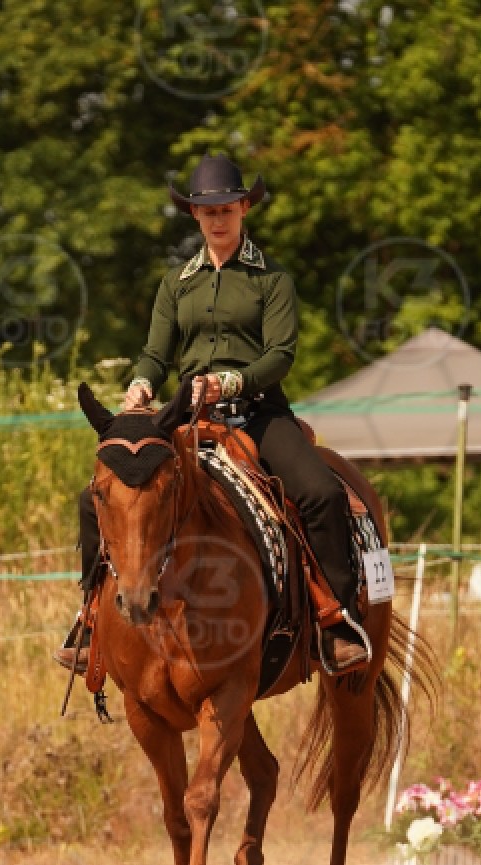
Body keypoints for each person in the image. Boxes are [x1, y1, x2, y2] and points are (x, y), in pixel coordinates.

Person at [57, 154, 370, 674]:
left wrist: (228, 381)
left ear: (244, 208)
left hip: (259, 415)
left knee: (321, 492)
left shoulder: (273, 279)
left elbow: (280, 356)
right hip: (185, 419)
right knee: (97, 497)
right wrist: (141, 385)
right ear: (194, 216)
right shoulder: (177, 282)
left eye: (227, 208)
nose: (218, 219)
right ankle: (90, 620)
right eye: (208, 211)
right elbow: (156, 354)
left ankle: (336, 619)